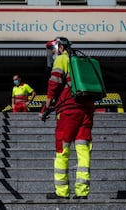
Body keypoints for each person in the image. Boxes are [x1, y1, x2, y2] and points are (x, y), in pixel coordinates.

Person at [40, 37, 94, 200]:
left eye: (53, 49)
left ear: (61, 47)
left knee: (62, 149)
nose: (52, 53)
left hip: (68, 109)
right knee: (83, 149)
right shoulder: (80, 61)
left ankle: (62, 192)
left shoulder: (62, 59)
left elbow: (54, 83)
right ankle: (82, 191)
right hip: (86, 109)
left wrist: (45, 107)